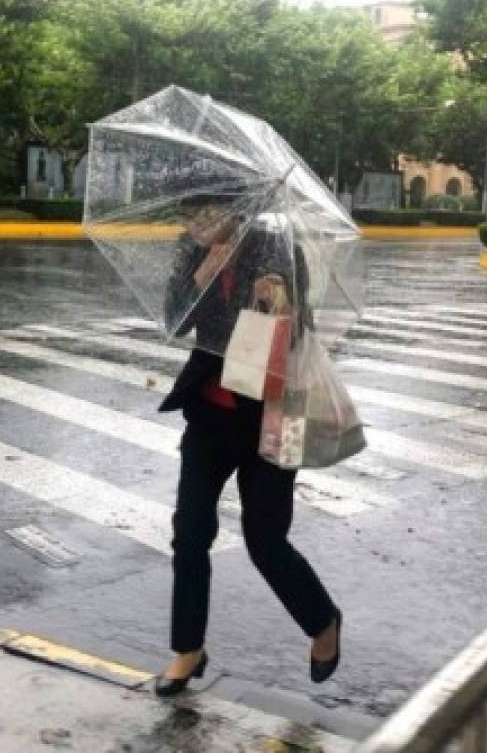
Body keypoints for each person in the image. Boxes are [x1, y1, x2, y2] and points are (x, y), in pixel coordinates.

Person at [154, 188, 341, 697]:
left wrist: (281, 300)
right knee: (189, 533)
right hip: (210, 415)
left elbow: (301, 326)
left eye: (205, 214)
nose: (195, 224)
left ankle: (323, 622)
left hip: (277, 411)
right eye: (187, 215)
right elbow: (174, 321)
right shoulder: (192, 252)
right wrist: (199, 277)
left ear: (236, 211)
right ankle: (188, 649)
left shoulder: (276, 247)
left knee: (265, 540)